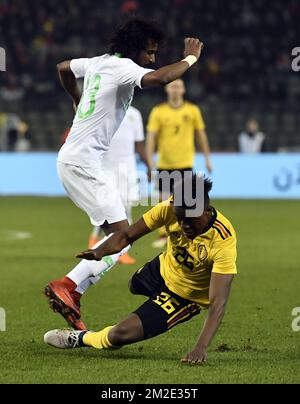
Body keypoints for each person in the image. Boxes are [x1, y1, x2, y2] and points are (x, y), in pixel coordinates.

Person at [43, 17, 205, 331]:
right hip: (83, 164)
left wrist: (75, 97)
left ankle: (72, 291)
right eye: (149, 52)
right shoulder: (124, 68)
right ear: (133, 50)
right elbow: (160, 79)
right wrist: (191, 58)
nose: (152, 58)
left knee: (118, 238)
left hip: (74, 161)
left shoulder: (98, 63)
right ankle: (68, 286)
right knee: (122, 239)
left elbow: (63, 67)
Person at [44, 175, 237, 365]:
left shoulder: (222, 241)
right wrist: (99, 251)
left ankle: (81, 338)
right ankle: (151, 303)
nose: (183, 225)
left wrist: (200, 347)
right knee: (133, 284)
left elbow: (218, 302)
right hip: (161, 269)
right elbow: (127, 235)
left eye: (189, 220)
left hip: (184, 296)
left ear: (205, 210)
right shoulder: (169, 208)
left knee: (119, 335)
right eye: (179, 219)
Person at [146, 79, 213, 248]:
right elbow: (151, 137)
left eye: (178, 86)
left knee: (188, 201)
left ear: (183, 90)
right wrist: (149, 161)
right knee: (164, 201)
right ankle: (163, 235)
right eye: (172, 86)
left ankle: (190, 233)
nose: (175, 89)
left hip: (184, 163)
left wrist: (207, 158)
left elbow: (201, 134)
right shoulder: (158, 111)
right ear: (167, 90)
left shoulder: (192, 110)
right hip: (164, 164)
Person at [88, 105, 151, 266]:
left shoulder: (134, 114)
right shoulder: (102, 109)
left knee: (125, 209)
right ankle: (96, 240)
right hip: (105, 169)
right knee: (105, 208)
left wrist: (149, 166)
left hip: (127, 171)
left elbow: (139, 144)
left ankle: (121, 251)